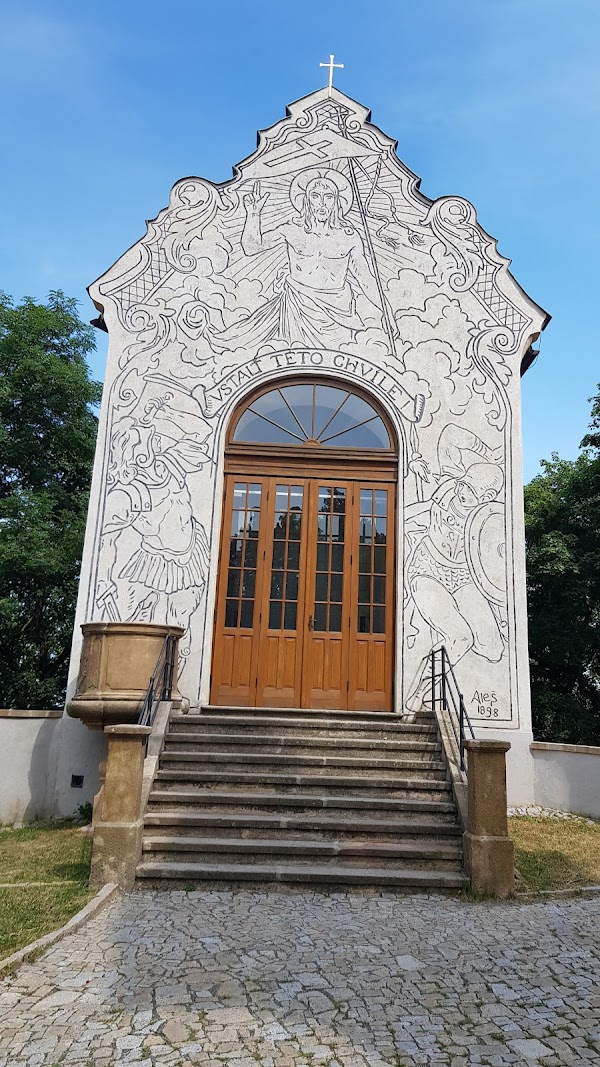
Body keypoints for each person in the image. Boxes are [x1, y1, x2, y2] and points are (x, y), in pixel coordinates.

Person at [210, 168, 386, 350]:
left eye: (329, 196)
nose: (322, 203)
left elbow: (366, 278)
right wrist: (253, 214)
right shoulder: (293, 230)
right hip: (297, 305)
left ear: (337, 202)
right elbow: (252, 247)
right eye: (316, 196)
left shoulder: (349, 236)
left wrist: (385, 310)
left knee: (337, 367)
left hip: (339, 311)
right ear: (306, 201)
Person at [405, 424, 505, 693]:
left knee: (493, 648)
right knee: (460, 636)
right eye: (464, 484)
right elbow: (449, 433)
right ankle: (419, 694)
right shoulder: (447, 488)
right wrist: (490, 453)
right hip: (426, 570)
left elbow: (495, 566)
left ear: (484, 497)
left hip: (462, 577)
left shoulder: (490, 523)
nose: (463, 491)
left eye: (470, 490)